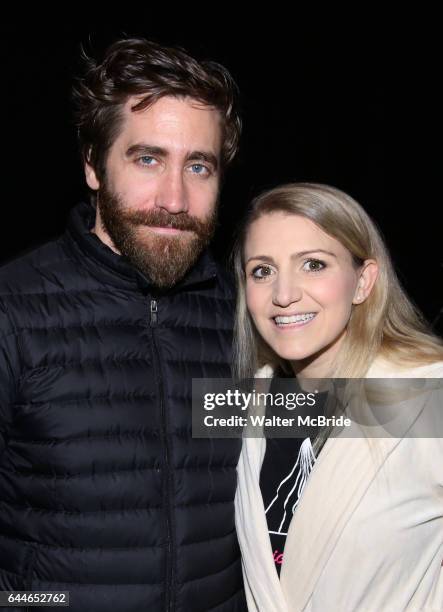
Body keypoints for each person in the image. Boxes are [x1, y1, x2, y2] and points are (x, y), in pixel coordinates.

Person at [0, 37, 247, 612]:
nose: (174, 197)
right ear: (93, 165)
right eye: (147, 158)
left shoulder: (244, 314)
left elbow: (355, 429)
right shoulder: (13, 311)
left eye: (199, 166)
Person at [232, 183, 443, 611]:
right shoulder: (249, 401)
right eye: (262, 270)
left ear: (363, 282)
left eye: (313, 264)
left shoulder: (427, 395)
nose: (284, 294)